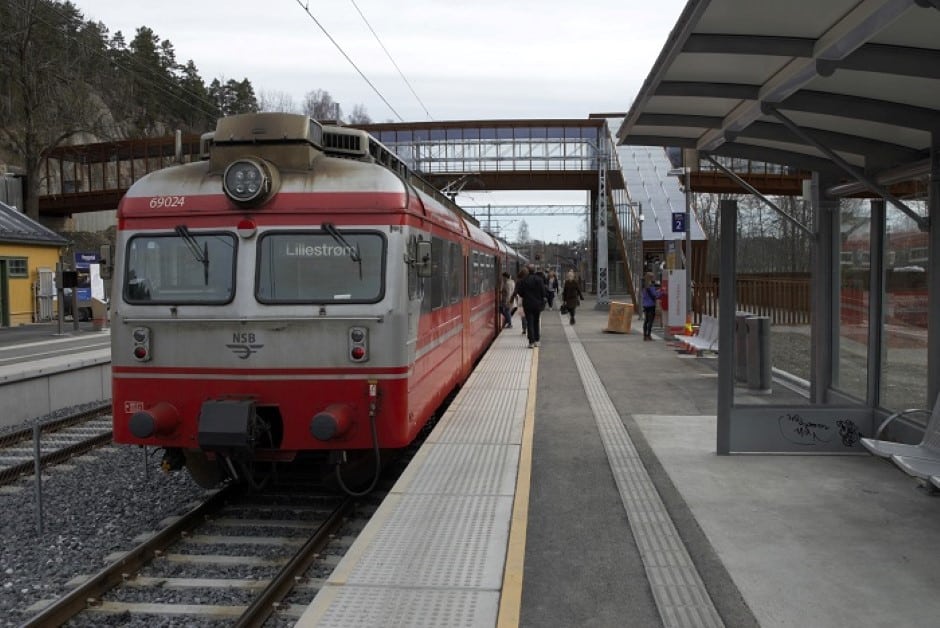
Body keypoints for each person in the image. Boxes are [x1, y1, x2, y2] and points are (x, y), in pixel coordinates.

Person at [513, 264, 548, 348]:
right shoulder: (539, 280)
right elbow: (543, 292)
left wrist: (526, 295)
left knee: (529, 322)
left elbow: (520, 292)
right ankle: (537, 340)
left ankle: (531, 342)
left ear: (528, 270)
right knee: (536, 322)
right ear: (535, 270)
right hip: (537, 304)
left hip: (528, 304)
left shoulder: (523, 280)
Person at [641, 271, 662, 341]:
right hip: (651, 305)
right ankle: (649, 335)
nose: (654, 278)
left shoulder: (644, 286)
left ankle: (644, 336)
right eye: (653, 277)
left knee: (646, 320)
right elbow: (655, 295)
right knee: (650, 321)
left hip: (645, 305)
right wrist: (661, 292)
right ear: (650, 278)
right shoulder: (651, 286)